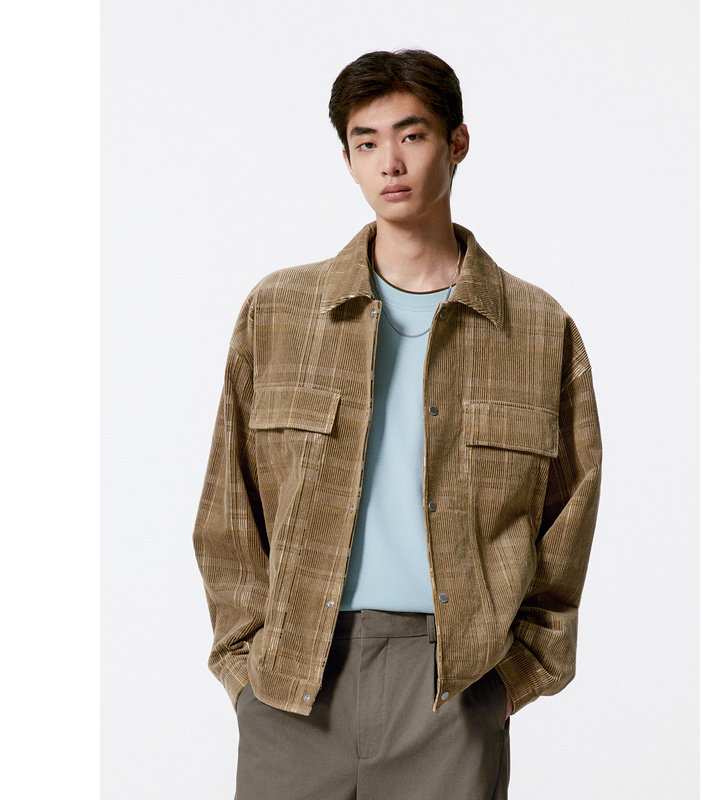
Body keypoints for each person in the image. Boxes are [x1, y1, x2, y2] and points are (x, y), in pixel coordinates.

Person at [193, 49, 602, 800]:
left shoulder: (538, 330)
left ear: (457, 143)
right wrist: (246, 670)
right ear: (348, 159)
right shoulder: (279, 313)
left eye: (412, 136)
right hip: (292, 685)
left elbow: (568, 520)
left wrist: (507, 681)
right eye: (366, 142)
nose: (390, 162)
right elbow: (229, 506)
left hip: (453, 689)